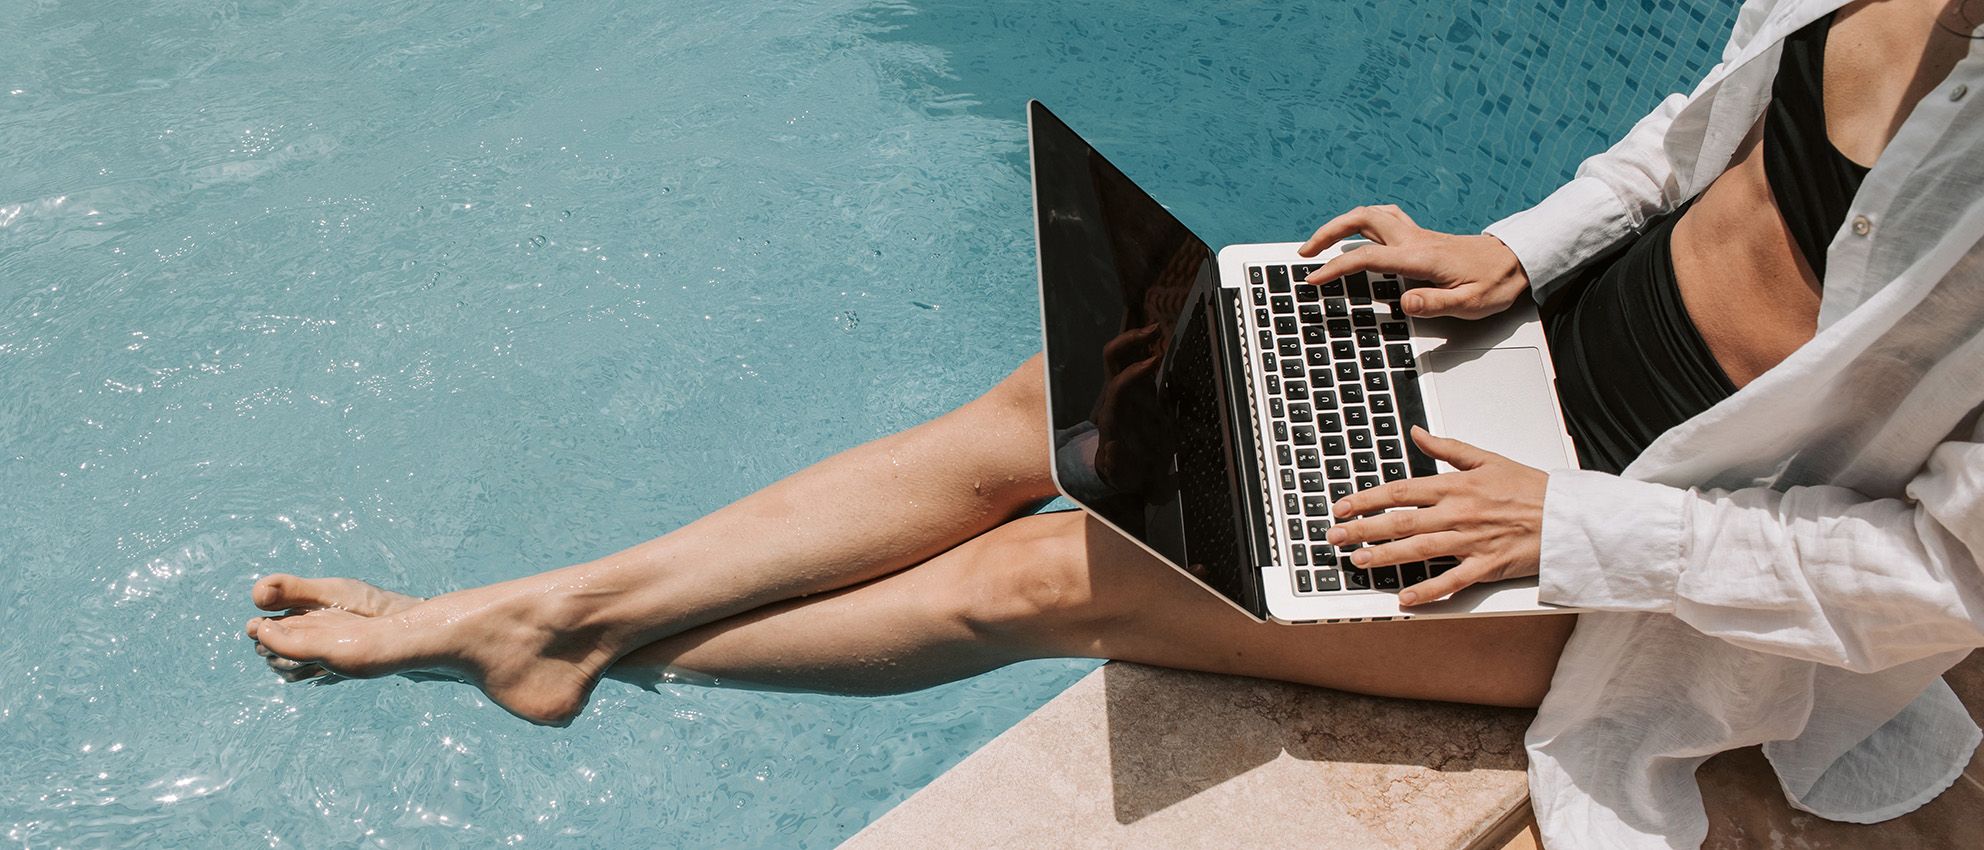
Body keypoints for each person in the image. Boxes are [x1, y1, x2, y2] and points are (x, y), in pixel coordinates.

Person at [246, 0, 1983, 845]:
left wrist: (1565, 530)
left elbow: (1941, 581)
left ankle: (568, 642)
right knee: (1057, 402)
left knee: (1059, 570)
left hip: (1641, 560)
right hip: (1527, 358)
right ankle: (549, 614)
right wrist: (1512, 248)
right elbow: (1696, 138)